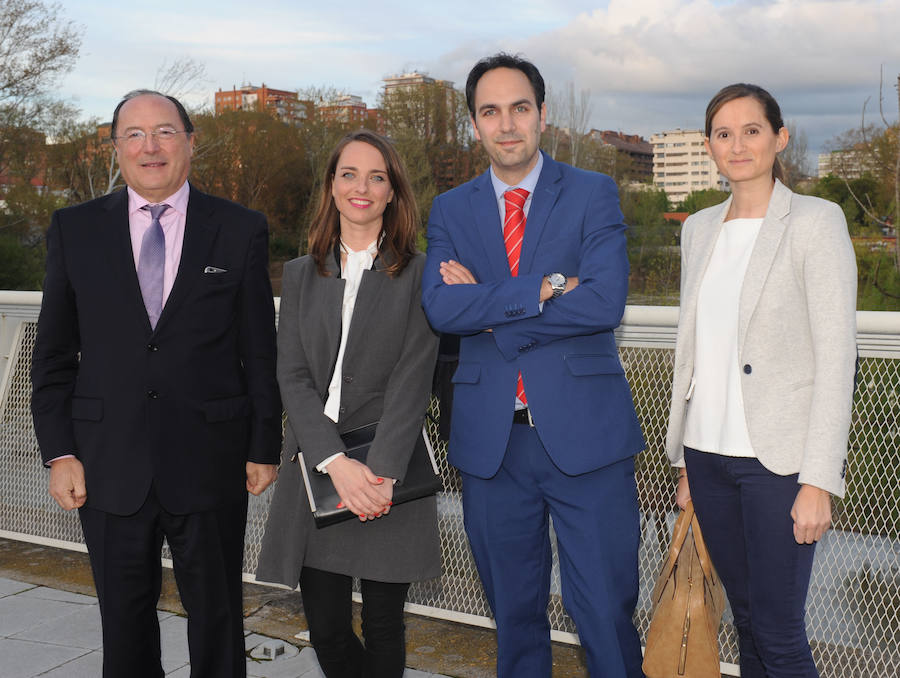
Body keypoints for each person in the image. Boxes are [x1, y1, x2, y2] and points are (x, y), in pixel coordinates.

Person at [30, 90, 282, 678]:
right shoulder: (74, 230)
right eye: (135, 135)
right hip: (107, 461)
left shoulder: (240, 229)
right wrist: (60, 452)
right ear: (115, 147)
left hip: (210, 460)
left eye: (165, 132)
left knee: (217, 618)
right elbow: (54, 355)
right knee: (123, 621)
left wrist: (263, 445)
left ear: (190, 142)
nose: (151, 147)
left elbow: (257, 350)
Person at [421, 54, 645, 678]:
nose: (507, 124)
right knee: (514, 619)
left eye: (520, 108)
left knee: (604, 610)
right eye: (490, 111)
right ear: (474, 125)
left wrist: (490, 308)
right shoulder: (451, 209)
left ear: (543, 115)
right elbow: (442, 308)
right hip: (492, 447)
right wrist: (544, 287)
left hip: (587, 440)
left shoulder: (592, 191)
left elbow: (602, 302)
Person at [666, 83, 857, 678]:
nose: (738, 144)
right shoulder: (698, 229)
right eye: (724, 134)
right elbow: (694, 350)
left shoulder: (816, 221)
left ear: (781, 138)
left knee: (779, 633)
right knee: (745, 621)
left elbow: (836, 356)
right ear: (709, 147)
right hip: (708, 458)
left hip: (780, 464)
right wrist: (684, 467)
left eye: (752, 130)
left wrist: (819, 479)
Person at [255, 129, 440, 678]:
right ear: (332, 187)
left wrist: (378, 472)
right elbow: (291, 373)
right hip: (319, 461)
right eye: (349, 174)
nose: (362, 187)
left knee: (384, 625)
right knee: (328, 629)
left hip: (390, 466)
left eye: (376, 176)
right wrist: (333, 460)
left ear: (392, 193)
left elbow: (415, 376)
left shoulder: (420, 273)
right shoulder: (298, 273)